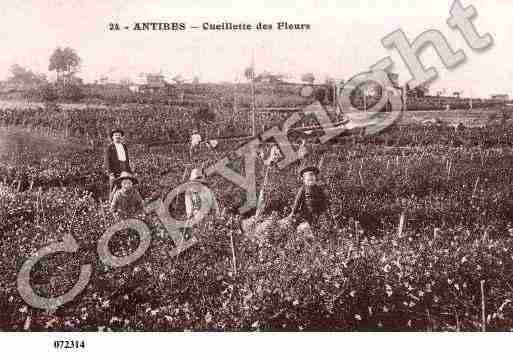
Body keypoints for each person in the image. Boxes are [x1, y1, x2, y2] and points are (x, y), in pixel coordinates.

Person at [286, 165, 334, 237]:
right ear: (304, 180)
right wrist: (293, 212)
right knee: (298, 223)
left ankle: (320, 235)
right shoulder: (303, 189)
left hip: (318, 212)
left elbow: (324, 201)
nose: (310, 181)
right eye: (308, 179)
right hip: (306, 212)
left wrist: (327, 210)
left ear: (315, 179)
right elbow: (297, 201)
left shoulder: (319, 189)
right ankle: (294, 234)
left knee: (320, 225)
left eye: (312, 179)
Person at [104, 129, 132, 201]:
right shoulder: (110, 148)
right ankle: (110, 204)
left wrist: (129, 171)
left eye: (119, 135)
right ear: (112, 137)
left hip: (125, 168)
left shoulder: (124, 146)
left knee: (126, 186)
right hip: (115, 170)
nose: (118, 136)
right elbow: (107, 161)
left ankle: (124, 203)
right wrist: (110, 173)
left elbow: (127, 159)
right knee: (114, 187)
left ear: (121, 137)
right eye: (116, 135)